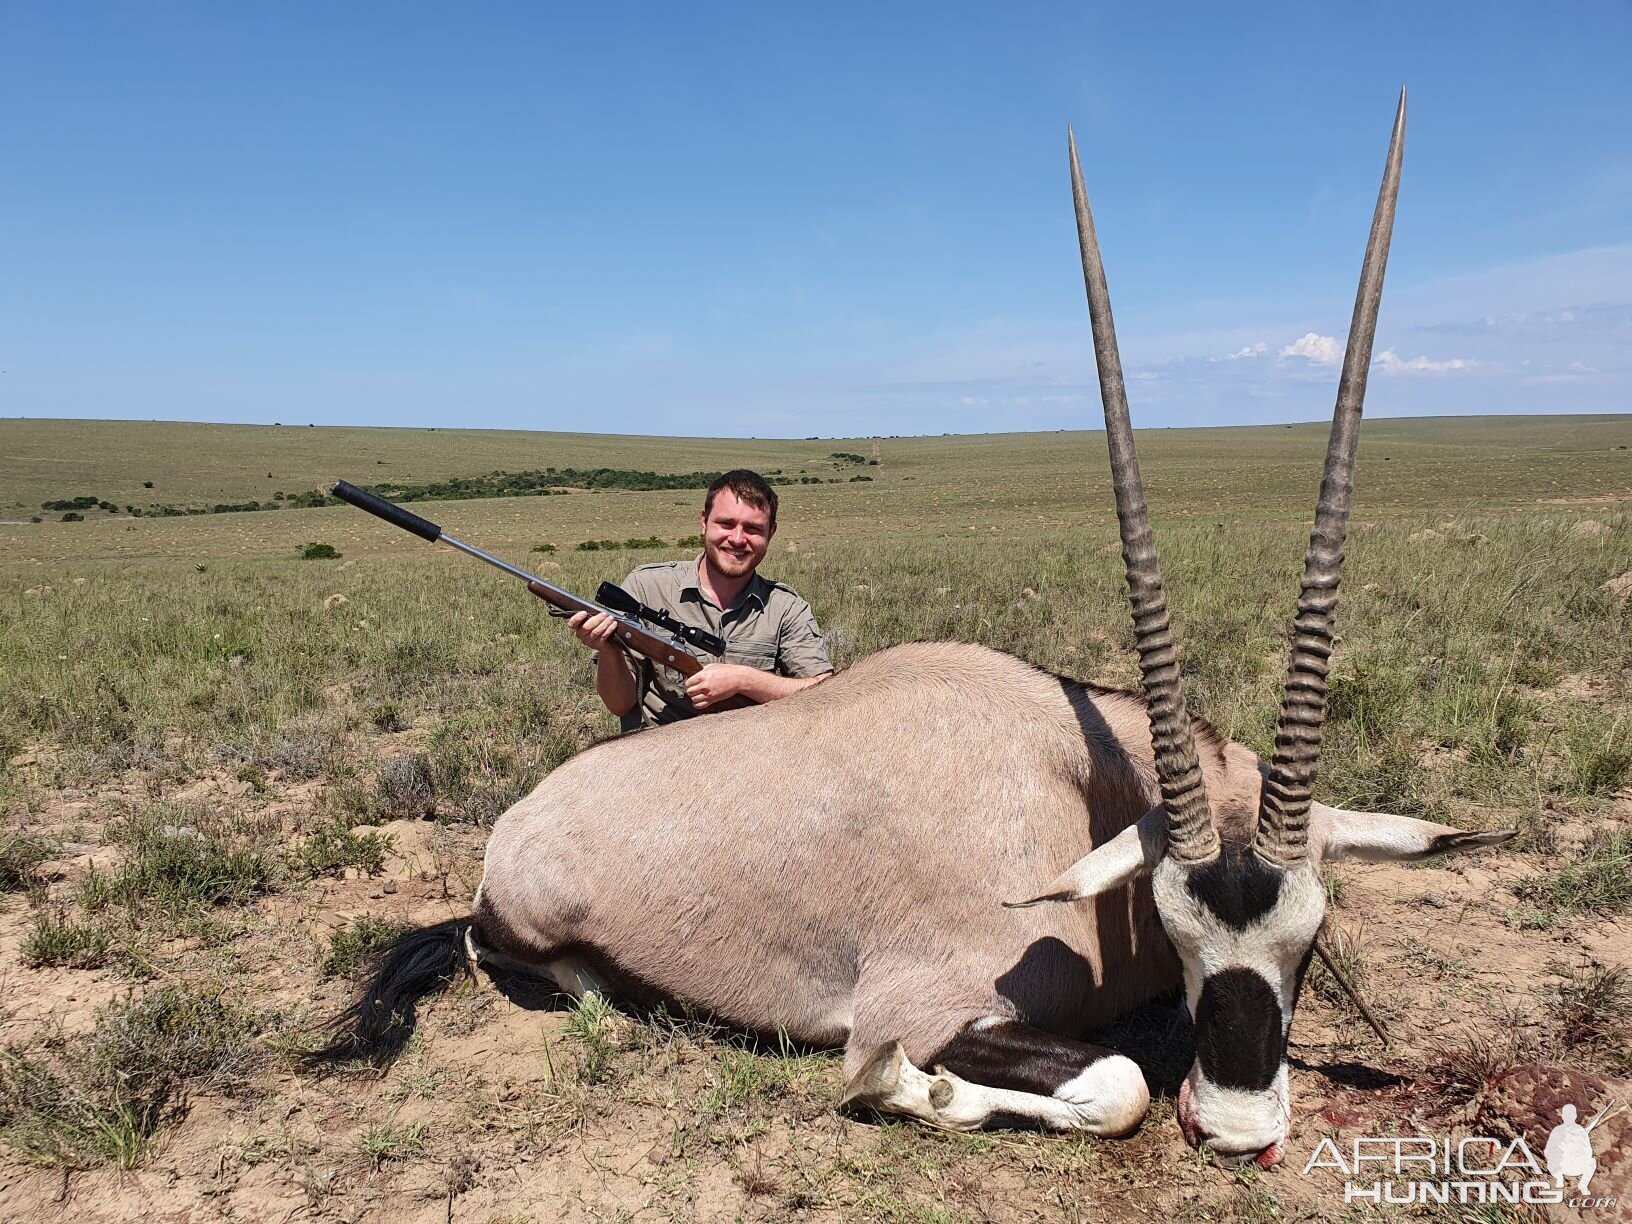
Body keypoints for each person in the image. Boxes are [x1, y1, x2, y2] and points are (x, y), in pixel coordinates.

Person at [568, 469, 832, 731]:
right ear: (704, 521)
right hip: (655, 755)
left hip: (751, 756)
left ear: (771, 533)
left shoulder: (786, 607)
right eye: (726, 524)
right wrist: (608, 649)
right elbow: (620, 705)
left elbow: (824, 693)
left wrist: (744, 679)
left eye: (752, 528)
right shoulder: (646, 587)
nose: (738, 539)